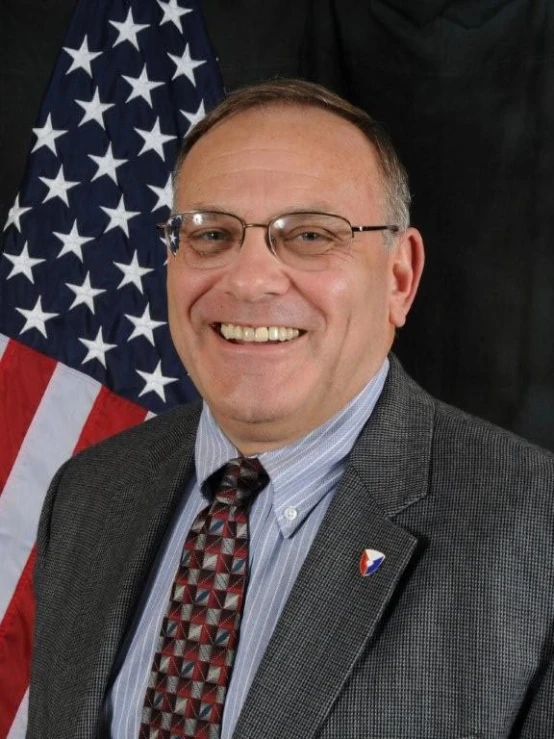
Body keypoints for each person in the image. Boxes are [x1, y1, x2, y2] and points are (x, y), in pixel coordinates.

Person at [27, 79, 554, 739]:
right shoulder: (90, 494)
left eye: (309, 234)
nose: (249, 280)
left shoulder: (536, 531)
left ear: (399, 276)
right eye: (211, 233)